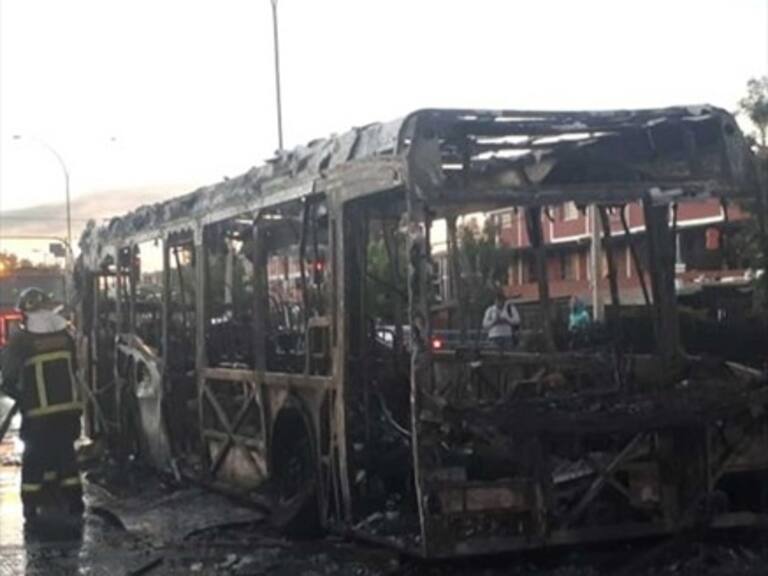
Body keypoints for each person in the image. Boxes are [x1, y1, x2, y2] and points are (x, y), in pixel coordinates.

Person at [1, 288, 84, 525]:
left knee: (35, 459)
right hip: (68, 409)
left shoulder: (22, 340)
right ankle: (74, 502)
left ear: (27, 313)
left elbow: (8, 376)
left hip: (38, 413)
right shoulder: (66, 336)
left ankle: (31, 506)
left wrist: (18, 394)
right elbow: (75, 368)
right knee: (66, 455)